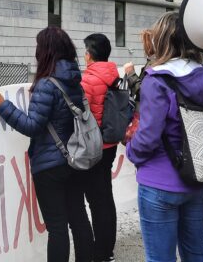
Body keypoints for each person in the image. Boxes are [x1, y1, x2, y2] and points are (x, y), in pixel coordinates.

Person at [0, 26, 93, 262]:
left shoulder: (47, 84)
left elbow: (33, 126)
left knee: (57, 228)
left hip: (50, 166)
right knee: (79, 218)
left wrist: (3, 105)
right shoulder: (75, 80)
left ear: (45, 52)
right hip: (76, 159)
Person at [126, 11, 203, 262]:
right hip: (197, 177)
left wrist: (132, 151)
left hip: (159, 181)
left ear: (162, 40)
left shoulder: (157, 79)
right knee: (197, 255)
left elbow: (148, 136)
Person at [73, 33, 120, 262]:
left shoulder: (88, 80)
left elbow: (82, 115)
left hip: (94, 146)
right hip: (110, 143)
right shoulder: (114, 75)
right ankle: (106, 248)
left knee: (95, 199)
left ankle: (100, 251)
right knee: (104, 195)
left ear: (90, 54)